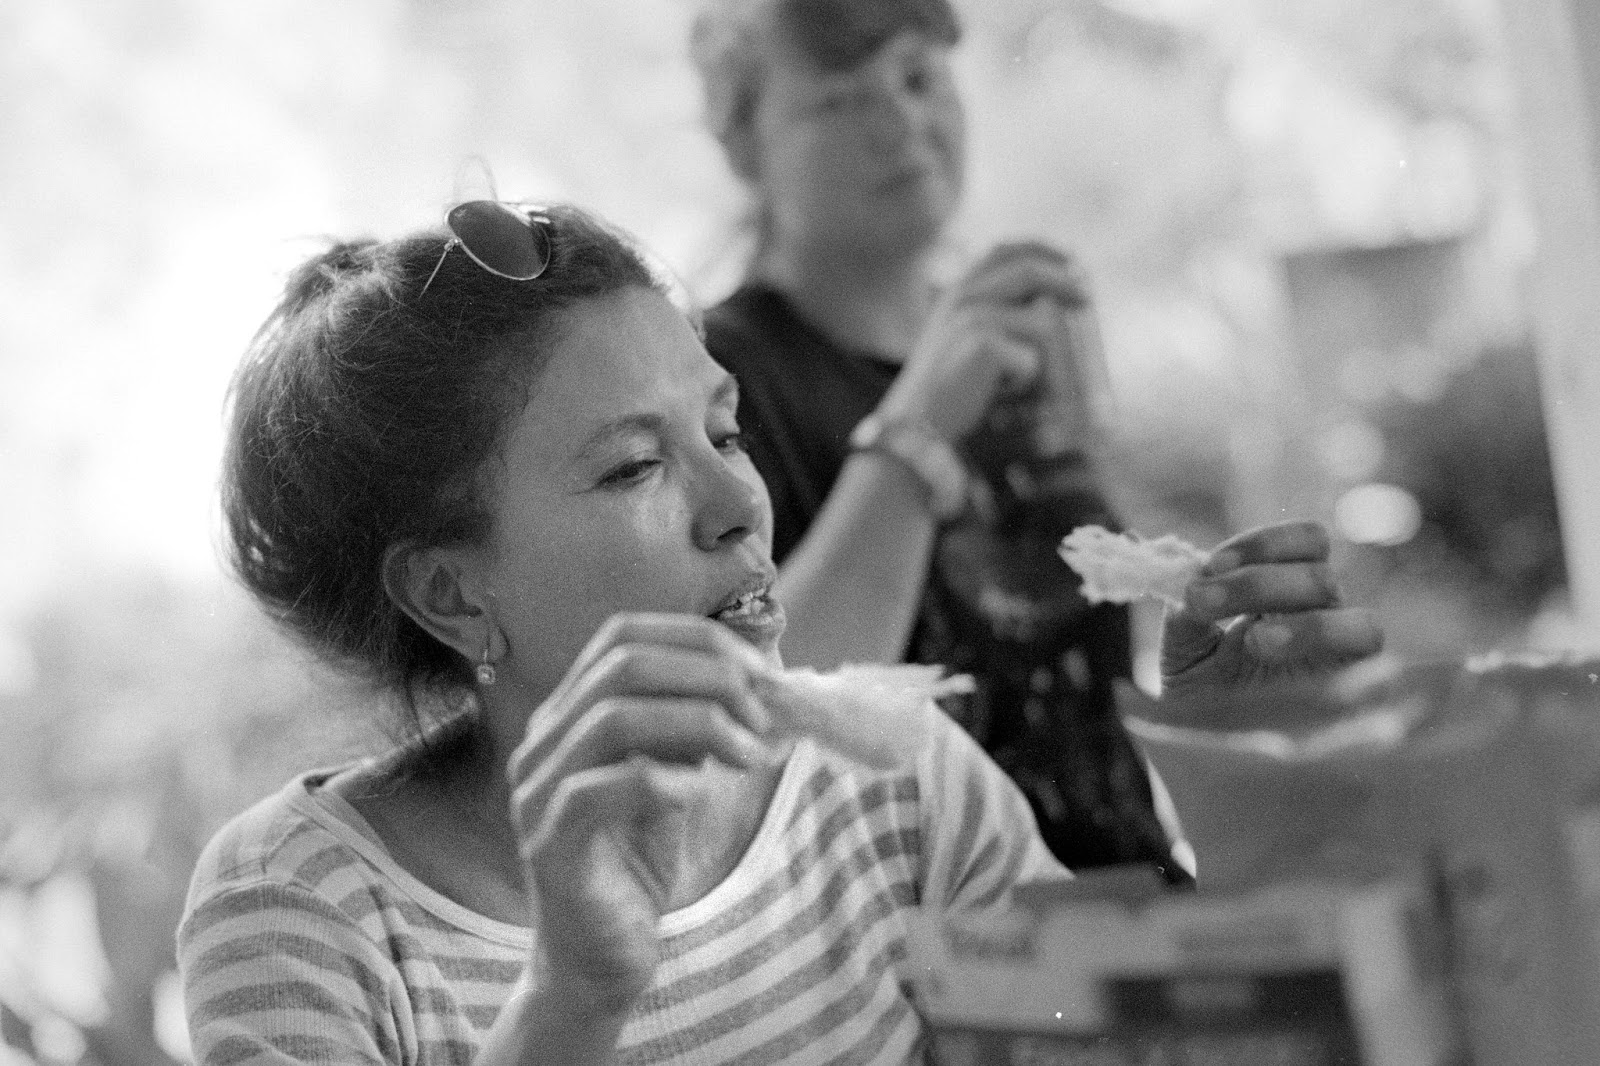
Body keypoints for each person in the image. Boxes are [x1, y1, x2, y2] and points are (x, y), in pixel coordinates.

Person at [176, 200, 1381, 1065]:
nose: (737, 503)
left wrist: (1246, 790)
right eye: (634, 466)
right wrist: (573, 995)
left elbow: (1116, 1044)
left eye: (726, 430)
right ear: (449, 594)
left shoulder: (897, 783)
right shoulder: (302, 906)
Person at [690, 0, 1191, 881]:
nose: (901, 124)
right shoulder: (714, 380)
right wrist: (916, 431)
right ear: (743, 148)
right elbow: (757, 719)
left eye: (919, 78)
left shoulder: (1010, 344)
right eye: (840, 99)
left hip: (1130, 910)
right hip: (935, 938)